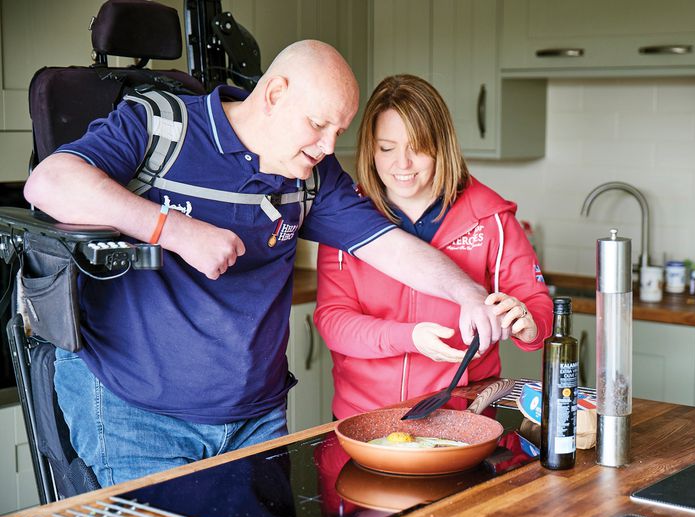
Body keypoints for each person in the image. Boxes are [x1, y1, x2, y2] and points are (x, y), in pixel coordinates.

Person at [23, 41, 502, 486]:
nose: (329, 146)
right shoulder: (158, 125)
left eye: (338, 131)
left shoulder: (311, 175)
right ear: (274, 94)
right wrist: (173, 230)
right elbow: (50, 184)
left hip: (257, 418)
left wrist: (468, 294)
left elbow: (391, 246)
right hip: (137, 412)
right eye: (318, 124)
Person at [313, 74, 553, 419]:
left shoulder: (490, 218)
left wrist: (529, 325)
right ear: (370, 149)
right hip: (363, 417)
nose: (402, 164)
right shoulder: (346, 219)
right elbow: (333, 322)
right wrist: (409, 337)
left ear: (442, 145)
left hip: (465, 418)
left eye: (418, 147)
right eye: (387, 148)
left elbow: (536, 304)